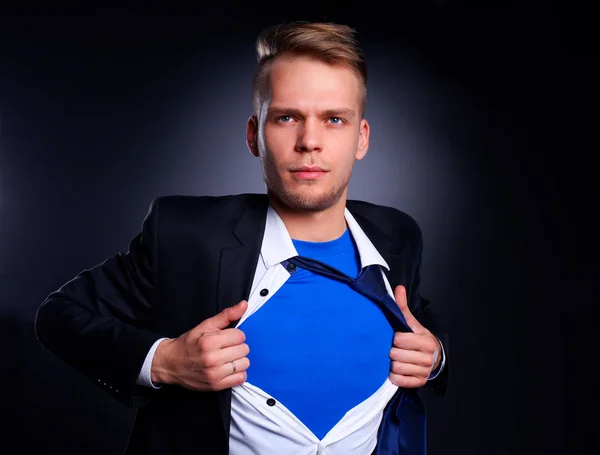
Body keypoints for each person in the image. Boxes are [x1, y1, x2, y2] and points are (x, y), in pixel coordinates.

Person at [35, 21, 449, 455]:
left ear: (361, 138)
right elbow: (60, 315)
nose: (310, 142)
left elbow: (415, 312)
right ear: (255, 135)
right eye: (287, 117)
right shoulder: (184, 234)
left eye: (334, 120)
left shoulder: (397, 234)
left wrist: (435, 356)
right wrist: (165, 361)